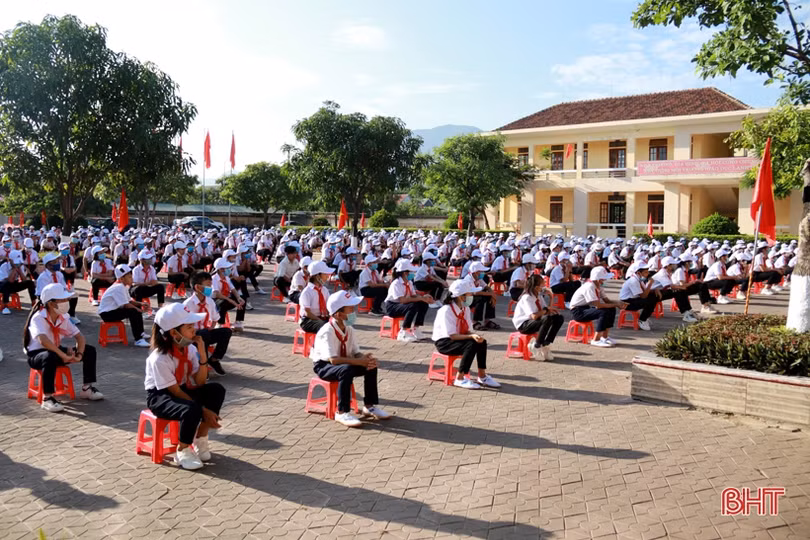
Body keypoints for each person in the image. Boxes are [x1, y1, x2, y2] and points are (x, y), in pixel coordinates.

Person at [145, 303, 226, 470]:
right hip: (161, 395)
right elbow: (173, 391)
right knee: (191, 409)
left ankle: (200, 438)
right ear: (174, 333)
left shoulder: (188, 349)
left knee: (216, 390)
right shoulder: (160, 358)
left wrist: (203, 355)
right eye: (189, 327)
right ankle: (182, 450)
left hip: (183, 387)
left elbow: (200, 382)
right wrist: (203, 410)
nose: (194, 331)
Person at [309, 290, 392, 427]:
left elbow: (355, 352)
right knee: (346, 370)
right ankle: (342, 412)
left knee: (371, 366)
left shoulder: (349, 328)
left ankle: (369, 406)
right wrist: (359, 361)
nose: (354, 312)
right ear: (338, 314)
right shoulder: (327, 331)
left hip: (344, 362)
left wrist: (364, 358)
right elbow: (333, 360)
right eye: (350, 309)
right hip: (324, 366)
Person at [24, 283, 102, 412]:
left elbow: (80, 337)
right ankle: (47, 398)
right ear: (51, 303)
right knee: (50, 356)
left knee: (90, 350)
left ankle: (87, 388)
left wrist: (79, 354)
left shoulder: (63, 317)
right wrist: (63, 354)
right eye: (63, 299)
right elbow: (43, 341)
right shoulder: (38, 318)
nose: (67, 302)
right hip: (37, 355)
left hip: (56, 350)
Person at [431, 279, 500, 390]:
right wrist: (471, 336)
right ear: (461, 296)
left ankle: (482, 376)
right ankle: (460, 378)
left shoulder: (465, 308)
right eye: (469, 294)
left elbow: (467, 330)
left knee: (481, 342)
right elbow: (452, 335)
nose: (471, 296)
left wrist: (474, 335)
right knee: (471, 344)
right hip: (444, 342)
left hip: (457, 338)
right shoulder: (446, 311)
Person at [184, 271, 231, 375]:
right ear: (198, 287)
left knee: (226, 331)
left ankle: (214, 359)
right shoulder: (188, 304)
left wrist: (212, 327)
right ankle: (202, 365)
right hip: (192, 335)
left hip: (206, 332)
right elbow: (183, 324)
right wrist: (194, 331)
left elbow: (215, 318)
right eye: (208, 285)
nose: (211, 288)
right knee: (203, 334)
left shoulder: (209, 301)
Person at [512, 274, 564, 361]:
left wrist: (551, 297)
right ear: (536, 287)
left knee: (558, 318)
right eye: (542, 284)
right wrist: (546, 310)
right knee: (546, 318)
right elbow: (534, 316)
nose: (544, 286)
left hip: (534, 321)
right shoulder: (527, 297)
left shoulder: (538, 296)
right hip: (524, 324)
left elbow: (548, 310)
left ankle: (546, 344)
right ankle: (536, 345)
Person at [569, 267, 625, 348]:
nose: (605, 281)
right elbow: (598, 305)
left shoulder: (599, 286)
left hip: (585, 308)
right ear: (598, 279)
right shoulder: (589, 286)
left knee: (611, 309)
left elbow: (607, 301)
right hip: (577, 312)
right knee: (603, 312)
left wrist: (618, 303)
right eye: (603, 279)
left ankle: (604, 337)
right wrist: (616, 304)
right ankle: (596, 339)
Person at [98, 264, 150, 347]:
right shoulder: (118, 287)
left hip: (112, 310)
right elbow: (126, 305)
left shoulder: (123, 286)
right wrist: (138, 310)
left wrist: (141, 304)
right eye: (129, 277)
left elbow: (129, 301)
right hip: (106, 314)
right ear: (122, 279)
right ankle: (138, 339)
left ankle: (141, 333)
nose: (131, 278)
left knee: (135, 309)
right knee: (133, 311)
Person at [384, 259, 432, 343]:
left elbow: (413, 295)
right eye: (410, 272)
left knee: (423, 304)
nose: (412, 274)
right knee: (412, 306)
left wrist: (423, 297)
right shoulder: (396, 283)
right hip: (392, 307)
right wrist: (420, 298)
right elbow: (402, 300)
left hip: (402, 305)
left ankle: (416, 328)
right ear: (404, 273)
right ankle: (403, 331)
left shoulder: (409, 282)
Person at [650, 257, 701, 323]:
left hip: (659, 292)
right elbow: (672, 286)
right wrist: (682, 287)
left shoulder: (667, 273)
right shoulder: (662, 273)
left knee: (680, 291)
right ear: (668, 266)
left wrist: (682, 287)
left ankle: (688, 310)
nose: (675, 266)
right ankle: (685, 313)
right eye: (673, 264)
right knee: (677, 291)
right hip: (653, 294)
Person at [36, 253, 80, 325]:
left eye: (57, 261)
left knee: (73, 296)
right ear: (48, 265)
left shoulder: (59, 274)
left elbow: (63, 287)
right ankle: (59, 315)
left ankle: (71, 315)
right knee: (57, 300)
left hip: (57, 293)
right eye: (54, 262)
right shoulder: (43, 277)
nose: (57, 264)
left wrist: (67, 294)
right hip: (46, 296)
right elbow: (42, 293)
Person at [618, 263, 659, 331]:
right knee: (649, 301)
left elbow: (645, 291)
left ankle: (644, 317)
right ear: (638, 273)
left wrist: (654, 290)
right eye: (645, 272)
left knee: (653, 297)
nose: (647, 274)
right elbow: (643, 296)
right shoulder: (633, 281)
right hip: (626, 303)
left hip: (633, 299)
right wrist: (650, 284)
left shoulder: (638, 279)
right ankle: (642, 320)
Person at [299, 260, 334, 334]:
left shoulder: (324, 290)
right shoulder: (307, 292)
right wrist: (320, 320)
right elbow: (307, 313)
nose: (327, 277)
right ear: (317, 276)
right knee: (325, 327)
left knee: (338, 325)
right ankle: (316, 345)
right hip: (308, 320)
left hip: (322, 317)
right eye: (325, 274)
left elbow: (329, 305)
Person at [212, 257, 245, 332]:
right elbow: (217, 294)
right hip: (215, 300)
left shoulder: (226, 277)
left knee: (243, 299)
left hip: (226, 298)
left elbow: (232, 289)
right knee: (222, 303)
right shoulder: (214, 279)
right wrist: (231, 301)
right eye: (227, 268)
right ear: (221, 269)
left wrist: (238, 297)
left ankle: (238, 322)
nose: (229, 269)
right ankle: (220, 324)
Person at [464, 261, 500, 330]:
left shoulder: (479, 279)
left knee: (489, 298)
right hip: (466, 300)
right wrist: (491, 294)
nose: (483, 273)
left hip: (474, 297)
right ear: (476, 272)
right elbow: (476, 293)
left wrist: (493, 295)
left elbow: (487, 287)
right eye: (481, 271)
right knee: (480, 299)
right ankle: (474, 322)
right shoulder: (468, 279)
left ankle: (487, 321)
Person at [0, 250, 36, 314]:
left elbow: (24, 280)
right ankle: (5, 306)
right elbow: (9, 280)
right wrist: (14, 269)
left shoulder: (20, 266)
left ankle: (33, 304)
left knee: (30, 283)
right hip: (3, 284)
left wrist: (20, 270)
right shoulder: (4, 266)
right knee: (6, 284)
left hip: (14, 284)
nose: (17, 264)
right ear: (10, 260)